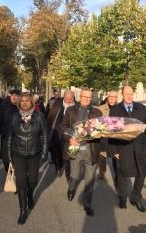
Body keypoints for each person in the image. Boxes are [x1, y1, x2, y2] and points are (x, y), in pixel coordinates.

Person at [109, 86, 146, 212]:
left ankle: (136, 198)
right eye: (126, 94)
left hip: (139, 147)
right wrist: (114, 151)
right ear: (122, 94)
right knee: (122, 174)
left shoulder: (142, 109)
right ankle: (122, 198)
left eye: (131, 94)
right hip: (122, 147)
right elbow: (111, 132)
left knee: (142, 173)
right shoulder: (116, 110)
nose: (129, 96)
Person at [7, 93, 48, 224]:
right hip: (18, 154)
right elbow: (9, 138)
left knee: (33, 180)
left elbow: (45, 136)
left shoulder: (40, 116)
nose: (25, 103)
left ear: (32, 103)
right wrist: (9, 156)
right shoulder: (14, 117)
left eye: (27, 101)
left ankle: (30, 194)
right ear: (19, 103)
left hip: (34, 153)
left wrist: (44, 154)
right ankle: (23, 210)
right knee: (21, 182)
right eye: (22, 101)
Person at [61, 88, 102, 217]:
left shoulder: (97, 112)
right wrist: (70, 138)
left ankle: (88, 204)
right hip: (75, 149)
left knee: (89, 180)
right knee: (75, 175)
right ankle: (71, 187)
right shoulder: (70, 110)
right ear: (80, 97)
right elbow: (63, 127)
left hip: (91, 150)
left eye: (89, 98)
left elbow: (102, 131)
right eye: (84, 97)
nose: (86, 99)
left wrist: (96, 133)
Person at [47, 90, 76, 178]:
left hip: (69, 131)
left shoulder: (76, 105)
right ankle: (58, 168)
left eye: (70, 99)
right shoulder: (57, 103)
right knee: (56, 150)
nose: (68, 101)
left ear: (73, 98)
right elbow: (51, 117)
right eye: (66, 99)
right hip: (56, 130)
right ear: (63, 97)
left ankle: (67, 167)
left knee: (66, 151)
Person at [0, 89, 21, 171]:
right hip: (6, 137)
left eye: (16, 96)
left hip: (18, 139)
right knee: (6, 160)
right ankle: (10, 172)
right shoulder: (4, 107)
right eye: (12, 95)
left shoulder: (21, 108)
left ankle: (16, 178)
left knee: (16, 161)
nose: (14, 97)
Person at [96, 90, 118, 180]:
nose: (112, 98)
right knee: (102, 154)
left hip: (116, 137)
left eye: (114, 97)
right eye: (110, 96)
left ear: (117, 98)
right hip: (104, 135)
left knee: (116, 156)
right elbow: (96, 121)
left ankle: (117, 175)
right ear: (107, 97)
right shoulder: (100, 108)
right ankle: (102, 171)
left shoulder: (121, 108)